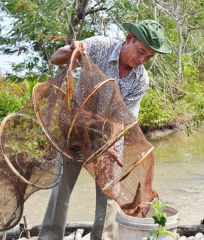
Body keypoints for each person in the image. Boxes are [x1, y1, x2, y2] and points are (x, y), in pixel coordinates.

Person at [37, 19, 172, 240]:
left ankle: (104, 238)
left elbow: (122, 118)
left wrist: (109, 145)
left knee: (109, 196)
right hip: (76, 130)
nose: (142, 60)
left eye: (148, 57)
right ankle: (49, 237)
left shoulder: (140, 80)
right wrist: (74, 49)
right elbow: (56, 58)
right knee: (61, 189)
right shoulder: (99, 46)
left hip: (110, 136)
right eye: (140, 52)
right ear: (129, 39)